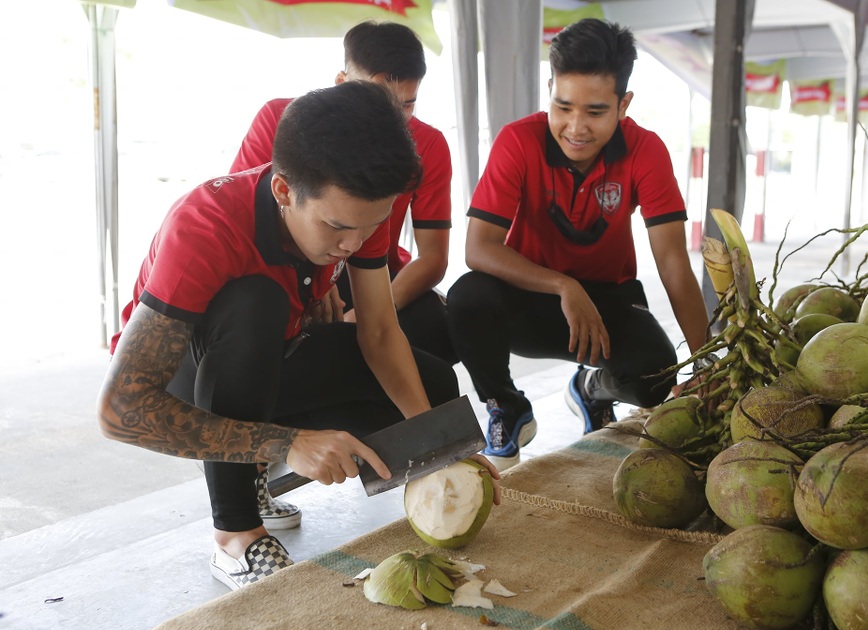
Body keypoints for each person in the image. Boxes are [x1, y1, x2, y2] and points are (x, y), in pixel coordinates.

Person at [97, 83, 500, 591]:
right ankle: (236, 535)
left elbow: (378, 330)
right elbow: (120, 410)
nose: (352, 244)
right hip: (189, 383)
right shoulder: (203, 226)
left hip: (274, 362)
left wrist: (436, 445)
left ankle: (254, 465)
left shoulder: (355, 208)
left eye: (369, 226)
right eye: (336, 228)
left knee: (436, 387)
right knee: (256, 302)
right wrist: (288, 443)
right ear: (284, 190)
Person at [446, 18, 710, 471]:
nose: (575, 127)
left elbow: (672, 262)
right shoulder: (517, 141)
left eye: (595, 111)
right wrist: (565, 286)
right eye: (563, 106)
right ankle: (506, 406)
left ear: (623, 104)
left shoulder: (647, 151)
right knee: (466, 296)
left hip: (609, 304)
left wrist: (706, 362)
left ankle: (592, 388)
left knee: (654, 379)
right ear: (550, 88)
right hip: (533, 299)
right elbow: (479, 249)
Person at [231, 20, 456, 366]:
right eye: (379, 99)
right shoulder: (282, 120)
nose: (391, 120)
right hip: (288, 268)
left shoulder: (430, 144)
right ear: (342, 83)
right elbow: (245, 219)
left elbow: (433, 258)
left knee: (442, 327)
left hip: (373, 272)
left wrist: (366, 315)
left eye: (408, 105)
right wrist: (318, 279)